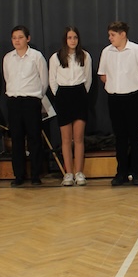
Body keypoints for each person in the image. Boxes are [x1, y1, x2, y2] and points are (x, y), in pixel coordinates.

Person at [98, 21, 138, 186]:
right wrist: (114, 86)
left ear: (123, 34)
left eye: (113, 35)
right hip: (115, 98)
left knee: (135, 136)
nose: (110, 38)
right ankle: (121, 172)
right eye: (109, 35)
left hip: (133, 97)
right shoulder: (106, 52)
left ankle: (136, 173)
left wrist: (137, 89)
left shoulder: (137, 50)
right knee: (120, 137)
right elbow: (102, 74)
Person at [2, 25, 49, 187]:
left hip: (31, 101)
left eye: (20, 37)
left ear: (28, 39)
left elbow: (44, 81)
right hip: (14, 101)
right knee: (17, 139)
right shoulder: (8, 58)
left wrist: (36, 96)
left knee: (34, 138)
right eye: (14, 38)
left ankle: (36, 175)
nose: (17, 41)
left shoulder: (36, 56)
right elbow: (7, 78)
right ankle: (19, 175)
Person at [49, 26, 93, 186]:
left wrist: (81, 94)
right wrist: (59, 96)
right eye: (69, 38)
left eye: (75, 37)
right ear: (65, 40)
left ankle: (79, 173)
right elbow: (52, 80)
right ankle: (68, 174)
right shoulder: (56, 57)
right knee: (66, 139)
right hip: (63, 96)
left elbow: (88, 79)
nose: (72, 40)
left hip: (79, 95)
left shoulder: (85, 56)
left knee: (79, 138)